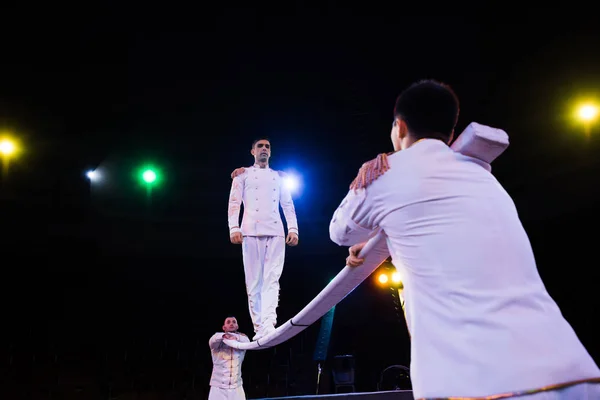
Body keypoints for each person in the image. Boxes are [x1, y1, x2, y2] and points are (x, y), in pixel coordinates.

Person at [329, 79, 600, 399]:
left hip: (478, 380)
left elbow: (340, 232)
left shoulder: (384, 173)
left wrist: (367, 178)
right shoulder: (484, 178)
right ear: (452, 134)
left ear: (399, 127)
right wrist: (382, 239)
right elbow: (436, 229)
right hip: (572, 371)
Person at [228, 138, 299, 341]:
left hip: (276, 230)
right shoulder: (242, 175)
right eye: (260, 146)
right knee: (254, 281)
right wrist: (234, 227)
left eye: (268, 146)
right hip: (250, 230)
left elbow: (288, 204)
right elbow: (234, 203)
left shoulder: (279, 177)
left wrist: (293, 228)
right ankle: (259, 327)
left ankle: (269, 324)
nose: (264, 149)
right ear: (252, 151)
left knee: (272, 279)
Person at [208, 316, 250, 400]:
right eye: (228, 322)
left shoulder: (242, 339)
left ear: (237, 326)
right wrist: (225, 336)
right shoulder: (217, 339)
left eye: (234, 322)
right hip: (218, 387)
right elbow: (212, 341)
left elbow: (247, 342)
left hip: (236, 387)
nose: (231, 323)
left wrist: (236, 337)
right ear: (224, 327)